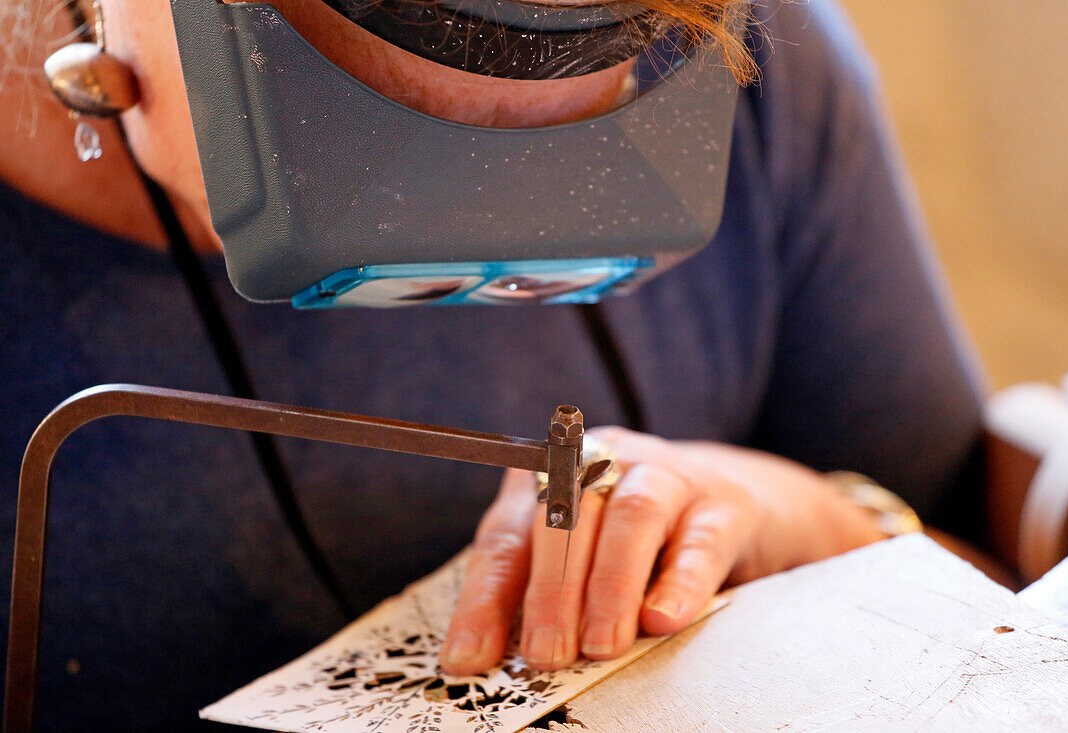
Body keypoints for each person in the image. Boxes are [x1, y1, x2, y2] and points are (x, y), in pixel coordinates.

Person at [0, 0, 984, 728]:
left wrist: (789, 519)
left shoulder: (767, 70)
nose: (488, 233)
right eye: (366, 147)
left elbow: (998, 599)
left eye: (570, 140)